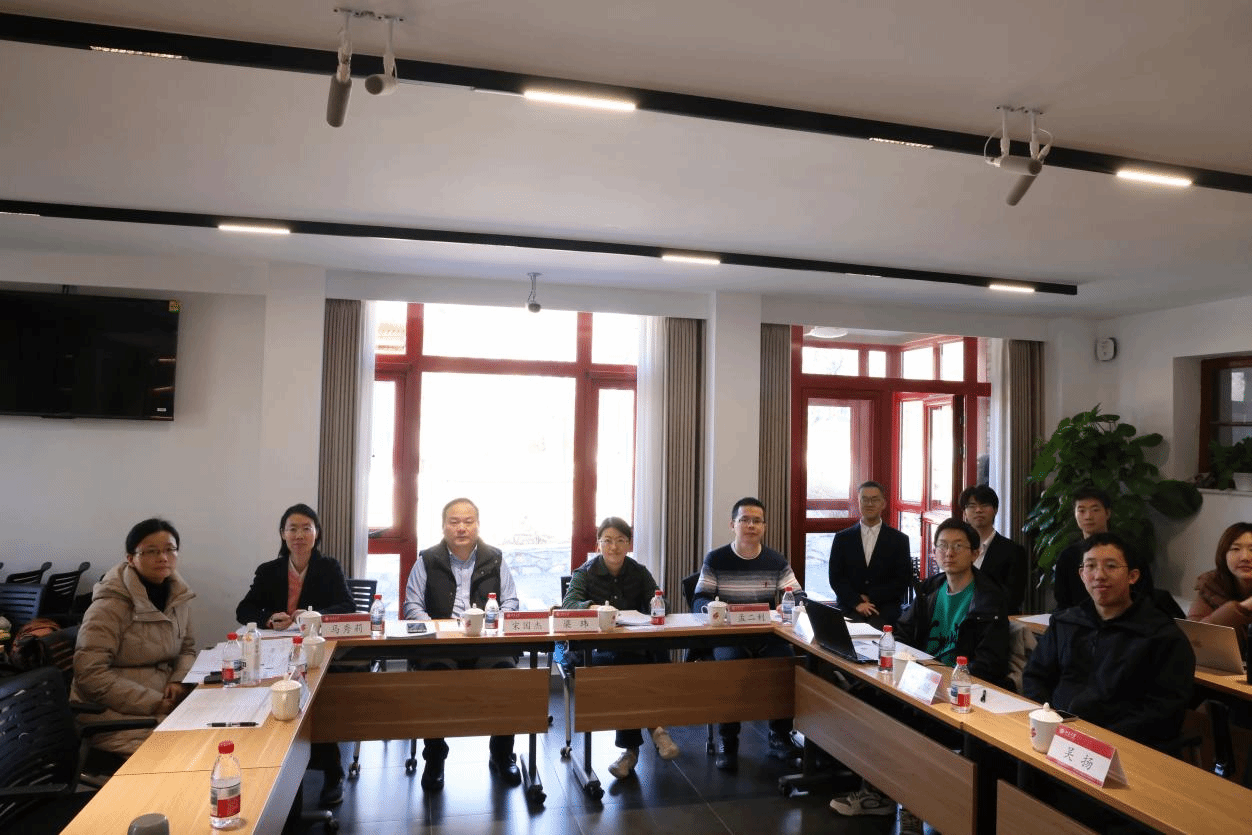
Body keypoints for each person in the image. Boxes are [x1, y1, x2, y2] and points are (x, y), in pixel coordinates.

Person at [830, 519, 1010, 835]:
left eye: (958, 546)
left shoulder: (989, 599)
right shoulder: (929, 589)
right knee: (862, 700)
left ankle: (911, 803)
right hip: (920, 682)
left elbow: (989, 665)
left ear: (975, 552)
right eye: (942, 546)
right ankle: (880, 792)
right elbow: (902, 633)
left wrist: (943, 680)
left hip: (958, 694)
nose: (949, 553)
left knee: (910, 724)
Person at [1025, 532, 1194, 751]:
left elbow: (1163, 710)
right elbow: (1035, 676)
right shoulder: (1066, 623)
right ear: (1081, 574)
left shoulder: (1161, 635)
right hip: (1055, 735)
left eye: (1111, 566)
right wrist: (1046, 718)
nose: (1099, 575)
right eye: (1091, 566)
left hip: (1120, 746)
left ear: (1132, 576)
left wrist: (1098, 739)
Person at [235, 503, 354, 807]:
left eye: (306, 528)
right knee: (270, 698)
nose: (299, 535)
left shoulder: (329, 567)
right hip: (276, 649)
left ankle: (332, 772)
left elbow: (348, 606)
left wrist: (314, 615)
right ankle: (277, 768)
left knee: (319, 695)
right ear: (283, 534)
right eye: (293, 529)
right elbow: (243, 609)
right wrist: (267, 618)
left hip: (315, 648)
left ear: (316, 533)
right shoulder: (269, 570)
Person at [403, 498, 521, 791]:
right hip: (441, 645)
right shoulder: (427, 560)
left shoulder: (496, 559)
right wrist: (437, 629)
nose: (461, 528)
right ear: (443, 526)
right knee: (435, 675)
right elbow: (412, 606)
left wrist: (492, 624)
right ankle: (434, 757)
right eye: (454, 522)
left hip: (487, 643)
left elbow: (511, 602)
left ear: (478, 525)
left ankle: (502, 753)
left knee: (505, 673)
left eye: (468, 522)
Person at [560, 517, 680, 778]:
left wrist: (656, 605)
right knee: (634, 665)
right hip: (592, 651)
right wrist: (594, 608)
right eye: (607, 541)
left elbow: (660, 601)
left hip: (631, 646)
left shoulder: (638, 571)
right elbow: (568, 605)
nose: (613, 547)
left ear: (629, 544)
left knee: (648, 657)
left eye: (620, 541)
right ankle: (656, 729)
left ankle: (630, 752)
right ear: (598, 544)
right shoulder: (585, 573)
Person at [692, 496, 804, 771]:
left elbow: (798, 595)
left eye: (757, 521)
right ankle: (728, 741)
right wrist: (716, 609)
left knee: (787, 665)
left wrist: (789, 604)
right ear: (733, 524)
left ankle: (779, 735)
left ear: (764, 526)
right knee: (731, 669)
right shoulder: (716, 558)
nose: (751, 525)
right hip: (729, 635)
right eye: (745, 520)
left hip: (766, 635)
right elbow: (699, 599)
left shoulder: (775, 560)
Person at [72, 518, 195, 756]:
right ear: (131, 558)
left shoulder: (178, 596)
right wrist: (154, 702)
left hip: (166, 705)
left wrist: (179, 681)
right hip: (118, 717)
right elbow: (90, 674)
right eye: (151, 551)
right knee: (189, 758)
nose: (163, 557)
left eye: (170, 549)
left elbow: (187, 649)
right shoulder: (109, 605)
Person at [1052, 487, 1156, 610]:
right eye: (1081, 510)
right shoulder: (1067, 556)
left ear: (1107, 513)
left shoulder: (1129, 551)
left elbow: (1144, 595)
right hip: (1078, 619)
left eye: (1095, 510)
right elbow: (1063, 602)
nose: (1088, 516)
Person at [828, 481, 912, 627]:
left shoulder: (899, 540)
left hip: (885, 608)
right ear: (858, 502)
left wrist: (870, 597)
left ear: (883, 503)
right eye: (865, 499)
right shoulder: (842, 538)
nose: (869, 504)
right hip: (850, 606)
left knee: (878, 633)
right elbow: (836, 577)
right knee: (844, 634)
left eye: (875, 499)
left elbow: (902, 580)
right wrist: (856, 602)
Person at [959, 484, 1028, 614]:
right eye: (972, 506)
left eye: (984, 505)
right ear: (964, 513)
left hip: (993, 620)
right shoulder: (957, 549)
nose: (978, 510)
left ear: (995, 510)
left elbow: (1014, 598)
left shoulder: (1013, 551)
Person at [1188, 521, 1252, 628]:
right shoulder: (1212, 584)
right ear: (1223, 554)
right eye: (1235, 549)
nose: (1245, 557)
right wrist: (1243, 607)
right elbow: (1194, 632)